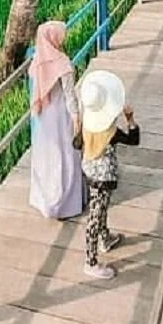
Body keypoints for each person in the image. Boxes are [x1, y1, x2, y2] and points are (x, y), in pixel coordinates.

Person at [77, 70, 140, 280]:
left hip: (90, 172)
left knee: (101, 207)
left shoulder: (87, 126)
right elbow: (134, 140)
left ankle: (105, 237)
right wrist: (130, 119)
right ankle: (90, 261)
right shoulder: (111, 133)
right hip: (105, 178)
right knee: (95, 215)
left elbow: (76, 143)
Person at [28, 21, 85, 220]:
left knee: (48, 156)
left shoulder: (37, 61)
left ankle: (45, 200)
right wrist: (77, 119)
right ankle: (66, 203)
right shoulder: (62, 63)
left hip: (44, 116)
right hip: (61, 115)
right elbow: (70, 96)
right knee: (66, 155)